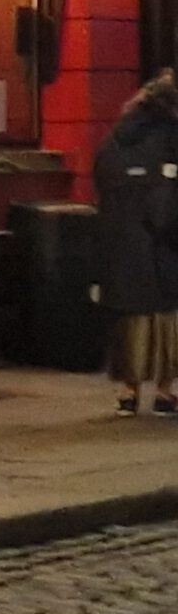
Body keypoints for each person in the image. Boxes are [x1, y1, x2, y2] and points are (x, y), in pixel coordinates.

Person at [93, 72, 178, 418]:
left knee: (129, 315)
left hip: (122, 240)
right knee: (166, 318)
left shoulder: (117, 137)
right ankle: (164, 393)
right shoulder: (171, 137)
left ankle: (128, 392)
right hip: (162, 241)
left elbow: (101, 179)